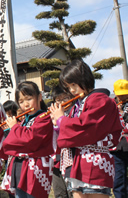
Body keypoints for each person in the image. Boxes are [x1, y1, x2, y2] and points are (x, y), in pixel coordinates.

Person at [50, 59, 123, 198]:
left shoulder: (100, 100)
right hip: (78, 161)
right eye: (68, 87)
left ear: (85, 79)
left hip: (95, 161)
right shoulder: (77, 105)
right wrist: (57, 123)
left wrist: (61, 119)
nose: (72, 90)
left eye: (73, 85)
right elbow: (68, 134)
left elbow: (85, 128)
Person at [1, 81, 54, 198]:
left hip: (35, 168)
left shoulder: (43, 118)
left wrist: (14, 127)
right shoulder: (23, 121)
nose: (25, 104)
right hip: (20, 166)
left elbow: (30, 140)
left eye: (29, 99)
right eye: (21, 101)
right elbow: (11, 143)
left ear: (39, 97)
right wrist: (9, 130)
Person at [51, 86, 74, 198]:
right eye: (58, 100)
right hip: (56, 158)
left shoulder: (74, 111)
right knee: (59, 192)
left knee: (72, 191)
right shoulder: (52, 114)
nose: (61, 103)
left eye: (65, 98)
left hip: (71, 157)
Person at [112, 79, 128, 198]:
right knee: (118, 178)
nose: (122, 97)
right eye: (120, 95)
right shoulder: (111, 105)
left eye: (125, 95)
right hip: (116, 146)